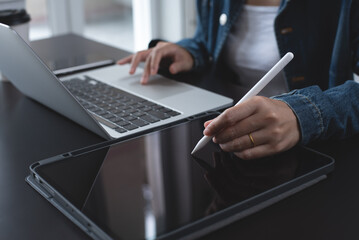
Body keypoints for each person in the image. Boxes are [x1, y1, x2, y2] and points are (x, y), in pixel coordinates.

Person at [118, 0, 359, 160]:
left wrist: (304, 114)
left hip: (313, 153)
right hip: (227, 141)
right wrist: (190, 52)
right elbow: (206, 41)